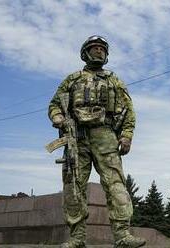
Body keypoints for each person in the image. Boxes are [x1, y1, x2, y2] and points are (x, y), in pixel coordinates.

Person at [48, 35, 146, 248]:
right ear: (85, 53)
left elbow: (128, 110)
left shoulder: (114, 80)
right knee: (73, 186)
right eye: (95, 48)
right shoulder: (72, 79)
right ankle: (77, 238)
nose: (99, 51)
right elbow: (55, 104)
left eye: (102, 48)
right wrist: (58, 118)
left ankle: (122, 236)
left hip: (106, 136)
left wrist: (127, 135)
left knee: (116, 184)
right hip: (77, 137)